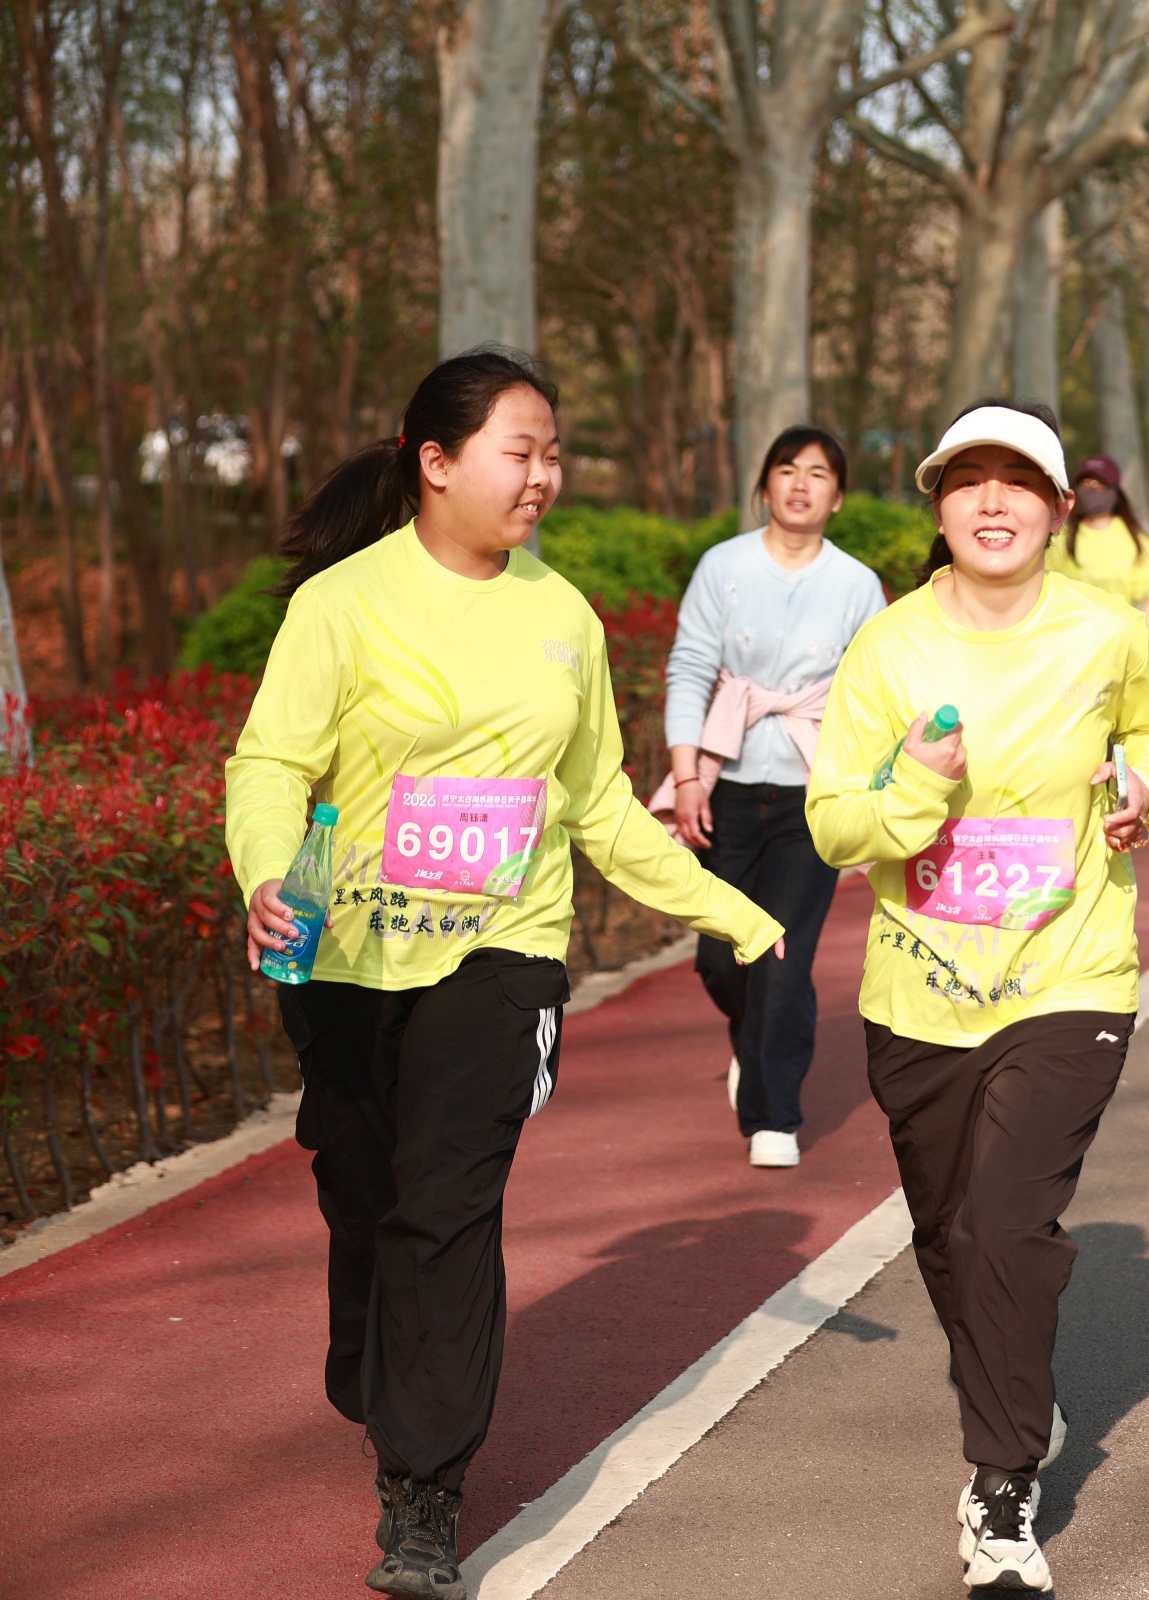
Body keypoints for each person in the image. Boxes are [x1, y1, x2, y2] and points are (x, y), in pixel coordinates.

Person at [226, 348, 785, 1599]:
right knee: (367, 1194)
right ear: (435, 462)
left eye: (552, 454)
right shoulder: (344, 604)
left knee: (447, 1202)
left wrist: (730, 909)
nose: (543, 476)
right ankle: (376, 1359)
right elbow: (271, 763)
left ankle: (423, 1492)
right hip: (348, 952)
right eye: (518, 452)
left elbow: (598, 804)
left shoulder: (562, 616)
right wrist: (265, 869)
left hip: (503, 951)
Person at [806, 399, 1149, 1593]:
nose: (991, 501)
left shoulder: (1105, 631)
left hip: (1070, 971)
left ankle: (1004, 1488)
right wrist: (918, 788)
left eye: (1017, 481)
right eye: (966, 480)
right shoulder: (889, 648)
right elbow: (834, 825)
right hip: (921, 990)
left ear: (1059, 507)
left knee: (1005, 1226)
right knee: (948, 1236)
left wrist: (1145, 792)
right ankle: (1016, 1390)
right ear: (937, 506)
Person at [658, 425, 886, 1169]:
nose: (800, 484)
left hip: (809, 794)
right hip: (725, 784)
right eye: (787, 470)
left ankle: (773, 1115)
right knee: (720, 961)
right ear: (764, 486)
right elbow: (690, 668)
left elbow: (872, 697)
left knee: (784, 959)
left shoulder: (856, 585)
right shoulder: (723, 567)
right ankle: (752, 1045)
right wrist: (686, 777)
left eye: (818, 473)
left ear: (838, 496)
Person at [1046, 453, 1149, 627]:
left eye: (1099, 484)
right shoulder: (1061, 537)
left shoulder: (1136, 539)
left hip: (1121, 633)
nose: (1091, 490)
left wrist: (1142, 634)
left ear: (1115, 493)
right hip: (1074, 632)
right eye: (1085, 484)